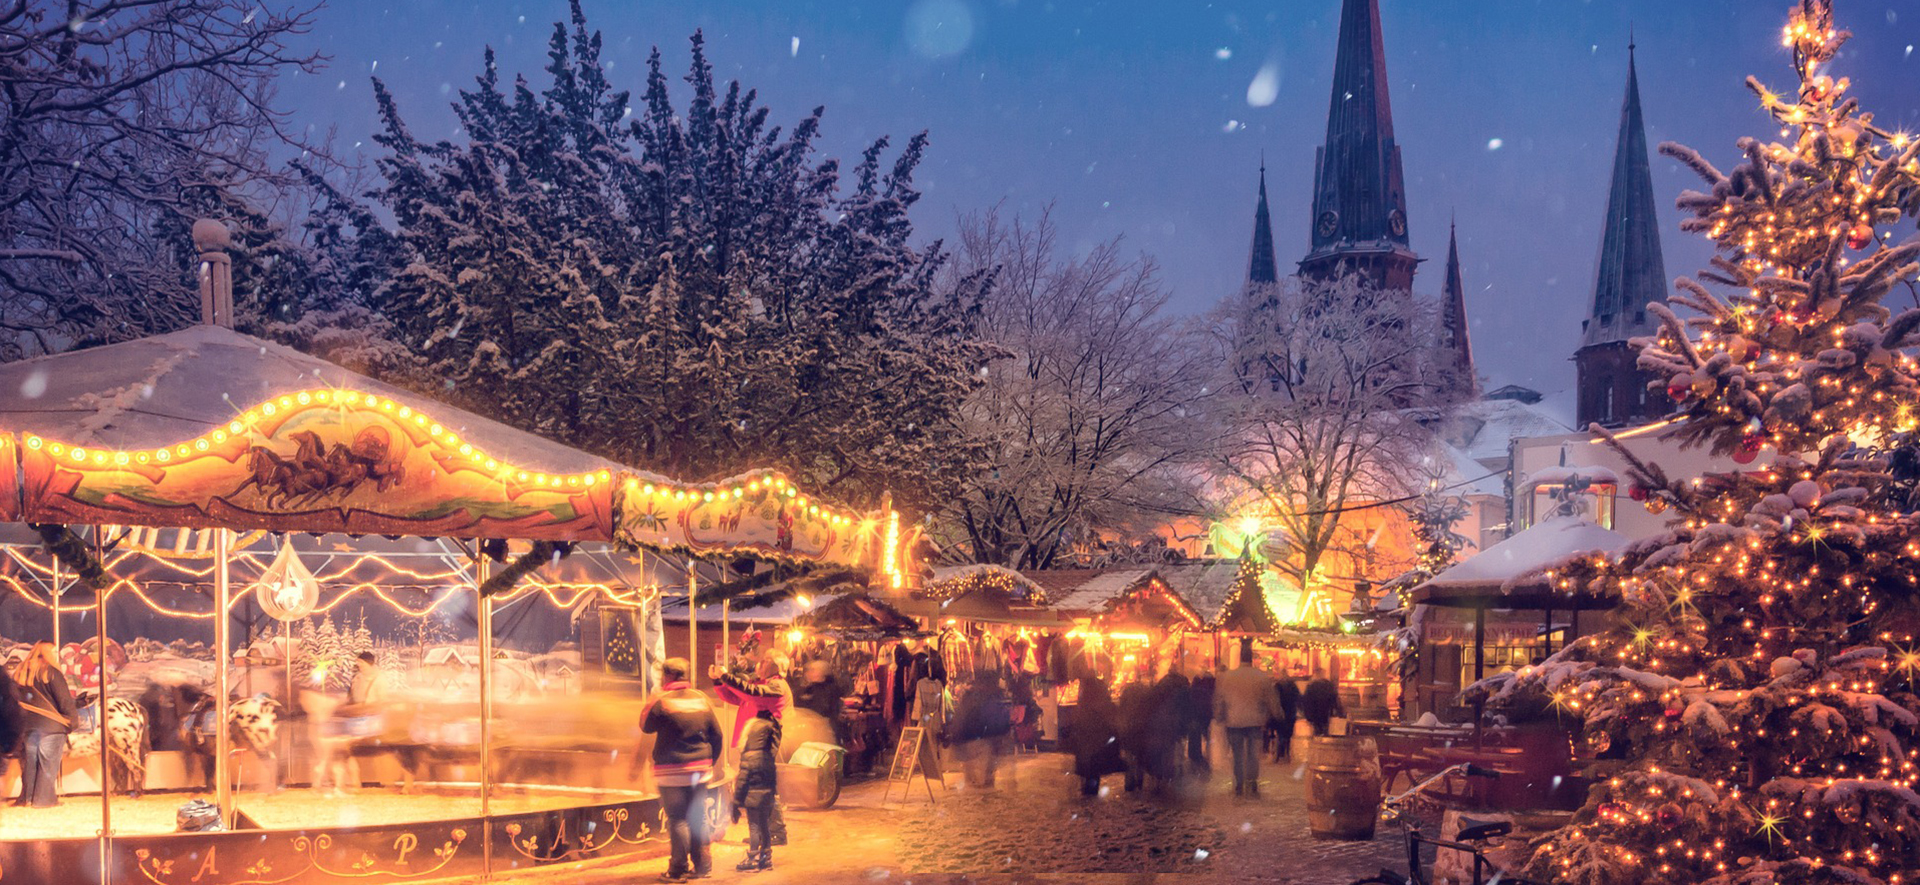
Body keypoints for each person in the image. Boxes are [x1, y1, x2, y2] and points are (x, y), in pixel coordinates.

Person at [637, 658, 723, 882]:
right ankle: (703, 866)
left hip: (671, 772)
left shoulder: (662, 701)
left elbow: (645, 726)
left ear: (667, 676)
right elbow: (717, 735)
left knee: (678, 819)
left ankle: (677, 869)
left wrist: (654, 697)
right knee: (698, 818)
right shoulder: (702, 699)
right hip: (700, 770)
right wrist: (708, 762)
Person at [713, 654, 792, 845]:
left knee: (762, 788)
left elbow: (750, 693)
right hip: (752, 742)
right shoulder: (762, 683)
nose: (760, 662)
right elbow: (735, 696)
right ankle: (765, 833)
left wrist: (726, 677)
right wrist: (718, 680)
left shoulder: (776, 685)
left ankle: (777, 833)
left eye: (766, 661)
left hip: (762, 742)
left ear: (777, 668)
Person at [1213, 638, 1279, 798]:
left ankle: (1239, 783)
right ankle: (1252, 782)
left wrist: (1219, 715)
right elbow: (1271, 699)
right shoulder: (1261, 677)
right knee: (1252, 753)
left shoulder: (1228, 676)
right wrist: (1277, 714)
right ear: (1252, 658)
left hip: (1234, 720)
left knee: (1237, 754)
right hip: (1254, 721)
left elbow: (1219, 698)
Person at [13, 641, 74, 808]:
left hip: (28, 726)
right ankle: (44, 800)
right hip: (51, 726)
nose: (56, 655)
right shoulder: (51, 673)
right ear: (48, 653)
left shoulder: (21, 672)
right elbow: (64, 700)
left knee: (30, 763)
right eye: (54, 651)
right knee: (48, 763)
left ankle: (27, 799)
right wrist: (72, 721)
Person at [731, 707, 781, 873]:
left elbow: (742, 781)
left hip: (752, 798)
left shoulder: (749, 756)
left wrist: (736, 802)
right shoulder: (768, 757)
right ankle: (766, 858)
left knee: (753, 827)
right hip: (767, 797)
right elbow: (774, 780)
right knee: (765, 826)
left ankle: (752, 857)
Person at [951, 670, 1012, 789]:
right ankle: (983, 795)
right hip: (980, 740)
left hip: (968, 740)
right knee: (983, 779)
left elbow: (961, 718)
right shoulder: (988, 696)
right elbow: (995, 718)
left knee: (975, 780)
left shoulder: (969, 696)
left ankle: (977, 796)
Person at [1065, 674, 1123, 797]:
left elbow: (1077, 726)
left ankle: (1087, 800)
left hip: (1086, 750)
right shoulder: (1102, 705)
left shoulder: (1083, 707)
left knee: (1087, 774)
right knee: (1092, 776)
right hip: (1095, 750)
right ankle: (1090, 801)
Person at [1116, 668, 1153, 792]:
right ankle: (1139, 781)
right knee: (1140, 755)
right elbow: (1150, 709)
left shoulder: (1127, 691)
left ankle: (1130, 782)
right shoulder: (1147, 691)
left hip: (1130, 727)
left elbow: (1121, 709)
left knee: (1130, 755)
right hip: (1142, 727)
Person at [1300, 670, 1346, 737]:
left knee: (1316, 728)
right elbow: (1334, 698)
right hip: (1325, 711)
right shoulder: (1328, 685)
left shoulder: (1311, 686)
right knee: (1325, 727)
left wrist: (1307, 714)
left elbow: (1306, 700)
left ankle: (1317, 738)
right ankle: (1323, 736)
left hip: (1314, 712)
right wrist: (1340, 711)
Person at [1186, 667, 1214, 773]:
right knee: (1206, 735)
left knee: (1195, 736)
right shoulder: (1211, 687)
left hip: (1196, 715)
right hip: (1206, 715)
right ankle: (1207, 755)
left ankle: (1195, 758)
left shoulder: (1195, 688)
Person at [1272, 669, 1301, 762]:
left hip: (1280, 712)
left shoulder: (1277, 686)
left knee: (1280, 733)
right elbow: (1298, 698)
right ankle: (1287, 753)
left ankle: (1278, 754)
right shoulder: (1292, 685)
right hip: (1290, 712)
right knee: (1288, 734)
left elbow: (1274, 700)